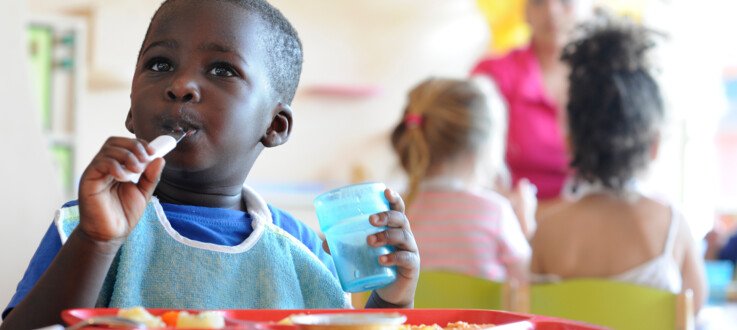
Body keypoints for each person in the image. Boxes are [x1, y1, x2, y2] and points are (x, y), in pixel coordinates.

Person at [0, 0, 420, 328]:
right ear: (131, 112)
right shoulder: (85, 225)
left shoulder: (303, 253)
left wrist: (391, 300)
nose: (180, 85)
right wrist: (97, 242)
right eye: (159, 64)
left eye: (222, 70)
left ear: (274, 125)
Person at [529, 14, 707, 312]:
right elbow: (695, 310)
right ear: (653, 145)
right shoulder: (672, 229)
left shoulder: (546, 232)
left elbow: (531, 313)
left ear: (571, 141)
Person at [390, 77, 530, 283]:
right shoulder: (495, 212)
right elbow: (524, 283)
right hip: (476, 317)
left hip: (411, 316)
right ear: (482, 149)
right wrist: (525, 230)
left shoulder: (392, 214)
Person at [471, 0, 593, 220]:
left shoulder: (609, 79)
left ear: (589, 7)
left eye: (565, 1)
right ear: (524, 11)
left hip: (590, 219)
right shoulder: (493, 75)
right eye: (538, 2)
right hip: (512, 223)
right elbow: (469, 163)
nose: (551, 11)